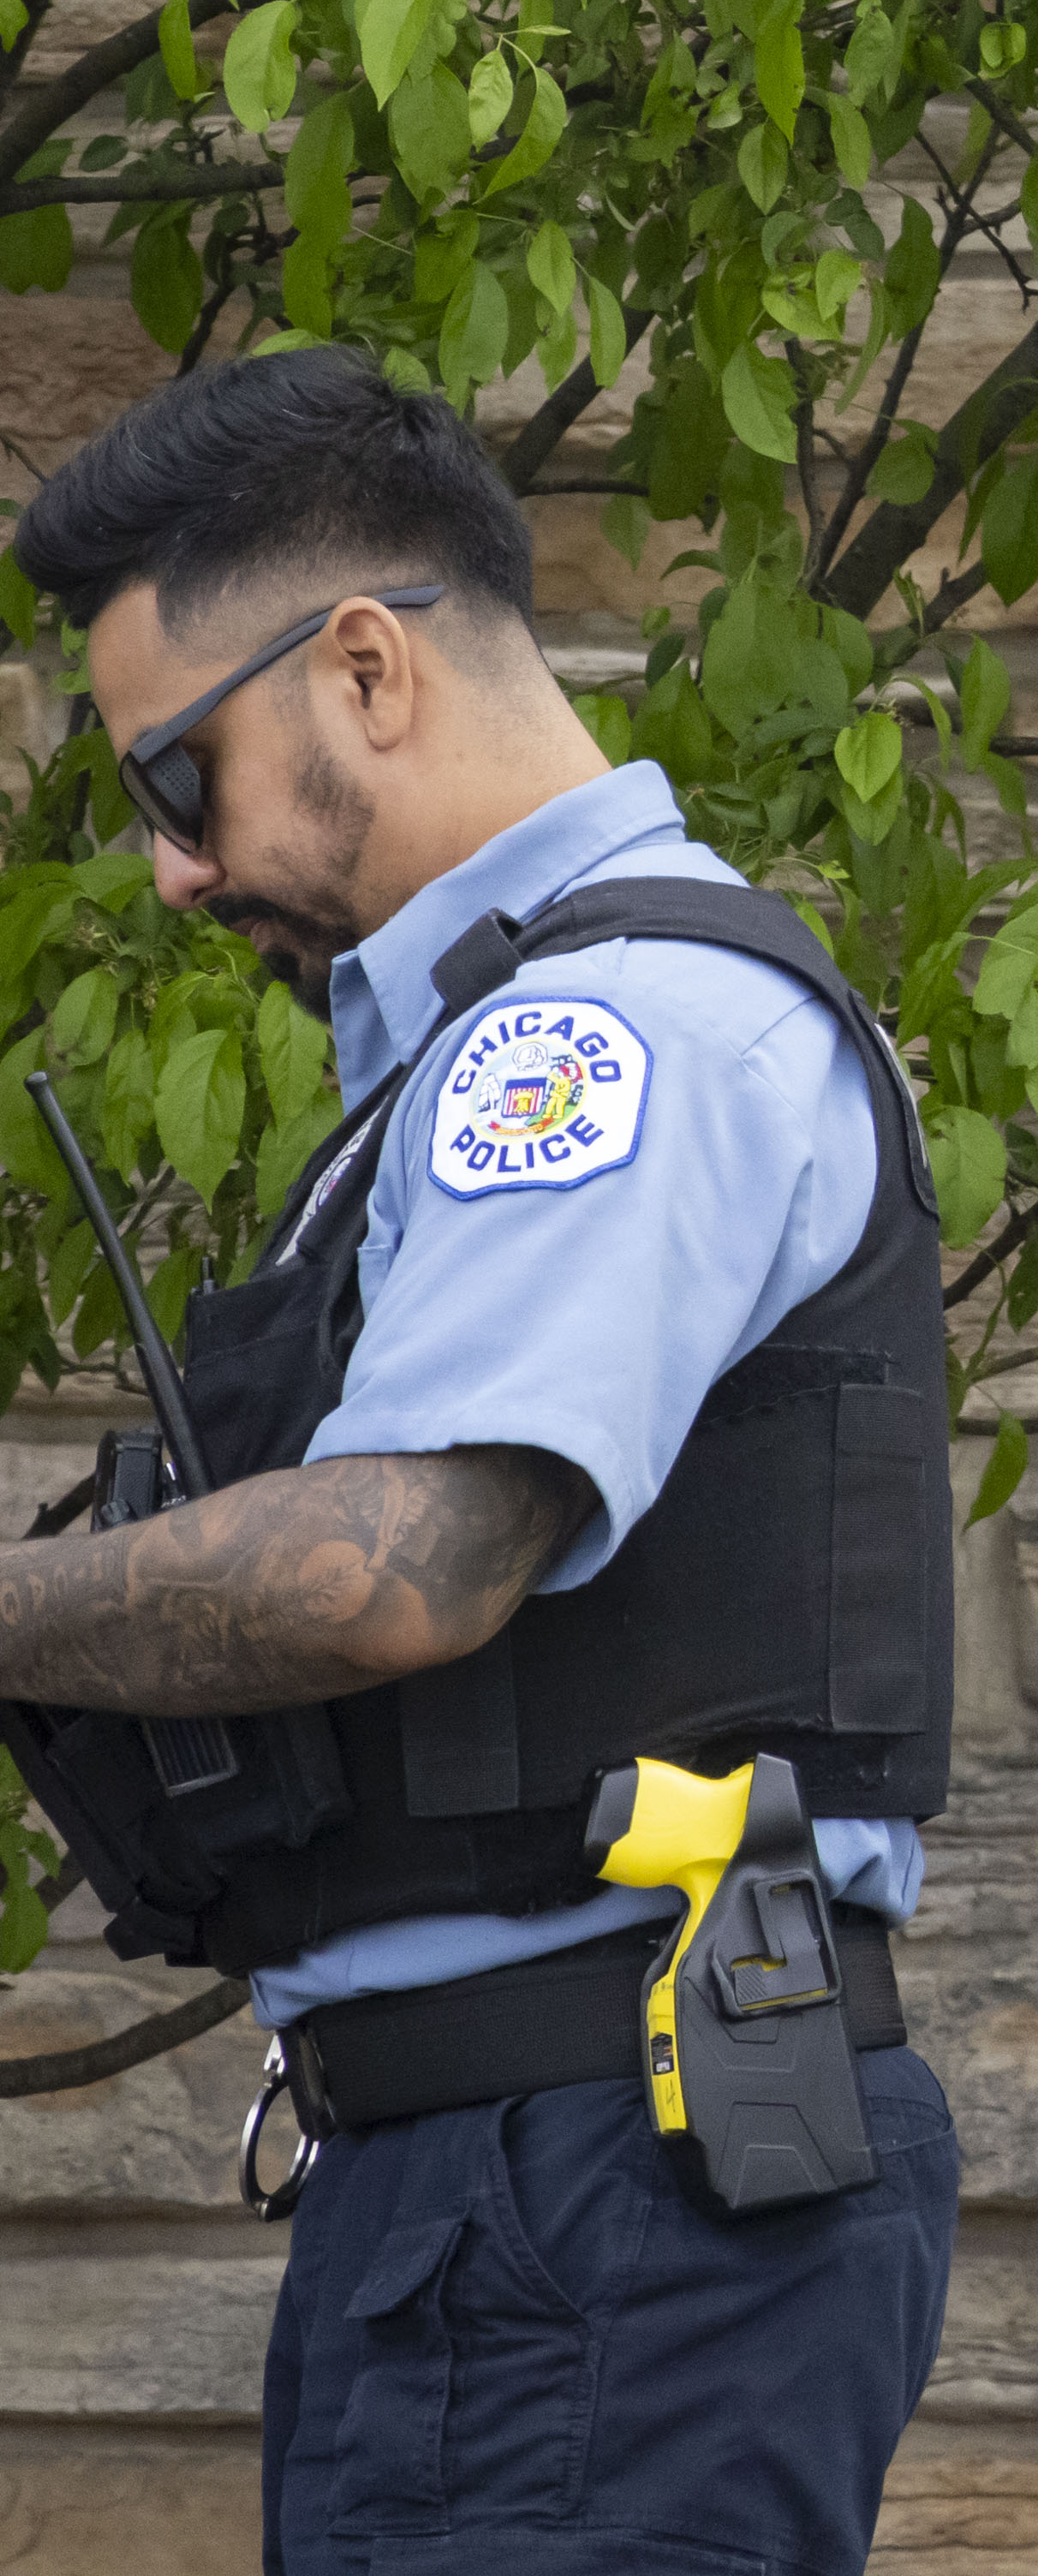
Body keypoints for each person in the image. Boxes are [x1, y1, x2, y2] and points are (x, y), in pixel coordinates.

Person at [0, 353, 962, 2569]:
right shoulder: (475, 1056)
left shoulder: (594, 1041)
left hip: (587, 2190)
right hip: (530, 2183)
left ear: (364, 667)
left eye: (181, 770)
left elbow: (396, 1568)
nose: (164, 868)